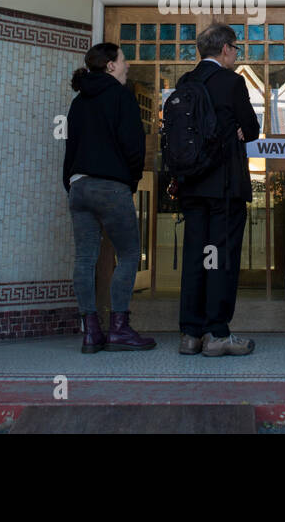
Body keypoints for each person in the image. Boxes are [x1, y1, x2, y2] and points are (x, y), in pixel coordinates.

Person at [62, 42, 156, 352]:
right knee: (129, 254)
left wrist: (72, 183)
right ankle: (119, 328)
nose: (127, 65)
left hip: (79, 186)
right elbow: (133, 146)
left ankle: (90, 331)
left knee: (85, 258)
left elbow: (70, 148)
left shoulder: (78, 102)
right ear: (111, 65)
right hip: (111, 187)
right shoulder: (121, 96)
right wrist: (130, 181)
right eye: (124, 60)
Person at [173, 23, 260, 357]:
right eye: (236, 49)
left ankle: (190, 334)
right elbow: (250, 128)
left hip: (192, 185)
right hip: (224, 185)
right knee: (220, 257)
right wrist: (238, 129)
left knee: (197, 256)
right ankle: (217, 333)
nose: (236, 55)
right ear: (225, 49)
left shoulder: (186, 82)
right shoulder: (232, 82)